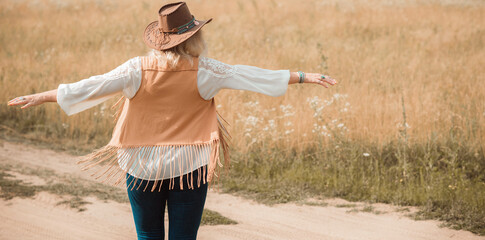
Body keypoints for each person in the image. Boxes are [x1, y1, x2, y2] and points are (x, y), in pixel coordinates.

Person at [8, 2, 337, 240]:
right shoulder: (205, 70)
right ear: (194, 37)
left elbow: (91, 86)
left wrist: (42, 95)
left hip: (141, 164)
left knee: (149, 234)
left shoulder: (135, 69)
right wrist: (304, 76)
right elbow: (249, 76)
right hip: (189, 165)